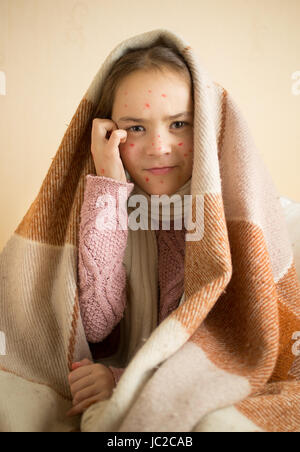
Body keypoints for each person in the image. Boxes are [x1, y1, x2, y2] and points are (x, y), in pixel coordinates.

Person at [66, 41, 194, 417]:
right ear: (108, 132)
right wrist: (109, 184)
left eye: (179, 124)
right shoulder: (102, 204)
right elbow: (97, 324)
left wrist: (122, 379)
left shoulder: (229, 215)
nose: (158, 147)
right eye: (135, 128)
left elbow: (229, 349)